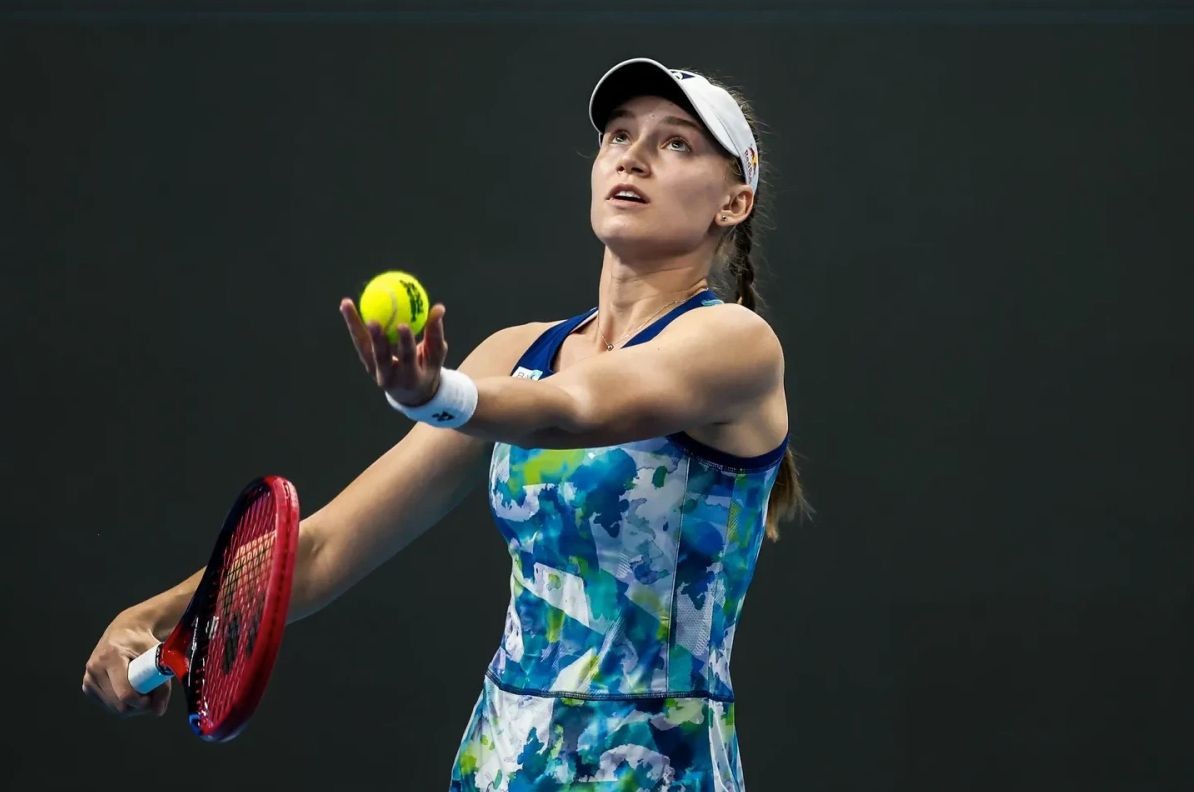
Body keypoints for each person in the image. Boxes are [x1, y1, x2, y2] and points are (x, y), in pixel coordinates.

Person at [82, 57, 811, 790]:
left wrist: (439, 395)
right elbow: (324, 548)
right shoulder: (513, 354)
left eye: (676, 143)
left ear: (733, 203)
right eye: (619, 135)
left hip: (659, 771)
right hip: (500, 761)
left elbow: (573, 410)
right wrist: (154, 618)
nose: (634, 156)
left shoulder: (735, 344)